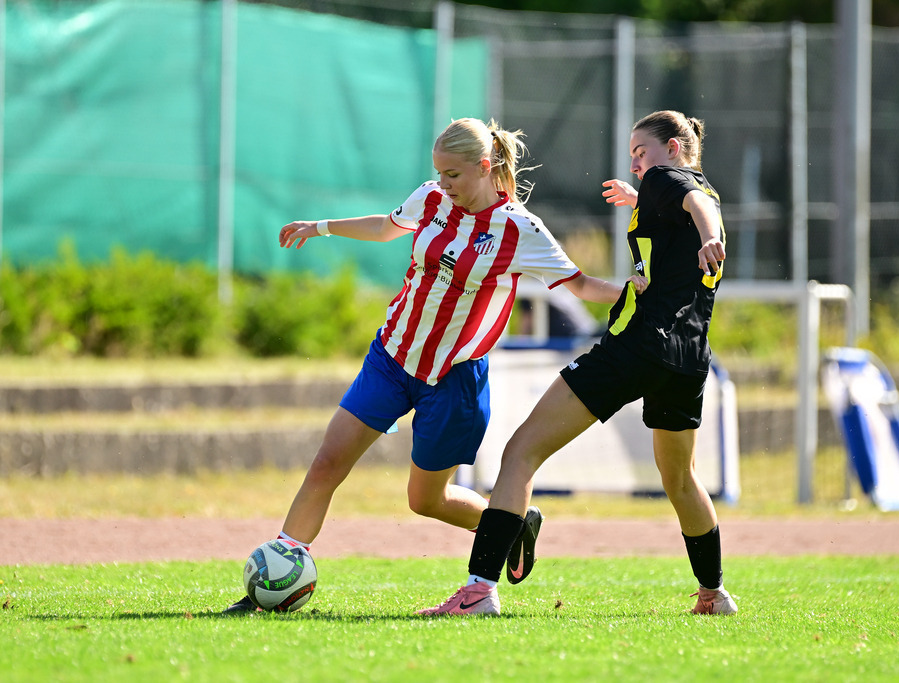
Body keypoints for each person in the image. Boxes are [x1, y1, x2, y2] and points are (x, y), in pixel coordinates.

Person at [223, 117, 628, 613]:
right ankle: (274, 582)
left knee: (425, 501)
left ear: (484, 167)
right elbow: (386, 227)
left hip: (453, 382)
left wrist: (635, 292)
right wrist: (321, 227)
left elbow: (581, 284)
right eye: (437, 174)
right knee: (327, 463)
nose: (443, 185)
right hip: (391, 357)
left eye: (453, 175)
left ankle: (509, 522)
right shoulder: (431, 199)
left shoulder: (520, 229)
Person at [417, 110, 737, 617]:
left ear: (674, 149)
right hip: (689, 358)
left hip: (635, 347)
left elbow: (695, 202)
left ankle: (478, 592)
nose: (636, 165)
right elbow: (693, 203)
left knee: (520, 452)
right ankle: (714, 593)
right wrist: (660, 210)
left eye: (642, 151)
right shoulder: (677, 192)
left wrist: (710, 234)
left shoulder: (672, 181)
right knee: (680, 479)